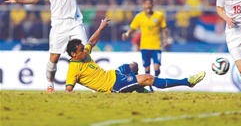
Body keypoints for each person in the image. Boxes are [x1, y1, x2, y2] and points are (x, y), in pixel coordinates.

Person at [3, 0, 109, 93]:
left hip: (75, 22)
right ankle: (50, 83)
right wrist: (18, 0)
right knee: (54, 58)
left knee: (85, 53)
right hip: (59, 25)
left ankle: (95, 85)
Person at [65, 17, 206, 93]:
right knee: (149, 78)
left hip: (114, 74)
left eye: (84, 49)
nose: (85, 51)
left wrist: (101, 27)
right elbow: (68, 89)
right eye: (81, 50)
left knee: (133, 65)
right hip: (114, 86)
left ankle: (138, 88)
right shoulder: (73, 69)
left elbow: (91, 41)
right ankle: (187, 82)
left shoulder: (84, 54)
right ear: (73, 54)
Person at [122, 0, 168, 92]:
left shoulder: (159, 15)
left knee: (157, 68)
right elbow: (133, 29)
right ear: (143, 5)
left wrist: (166, 40)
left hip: (156, 46)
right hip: (144, 46)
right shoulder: (139, 17)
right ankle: (150, 86)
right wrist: (126, 34)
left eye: (150, 3)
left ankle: (155, 81)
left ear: (152, 5)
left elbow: (164, 29)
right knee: (146, 68)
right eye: (146, 4)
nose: (148, 5)